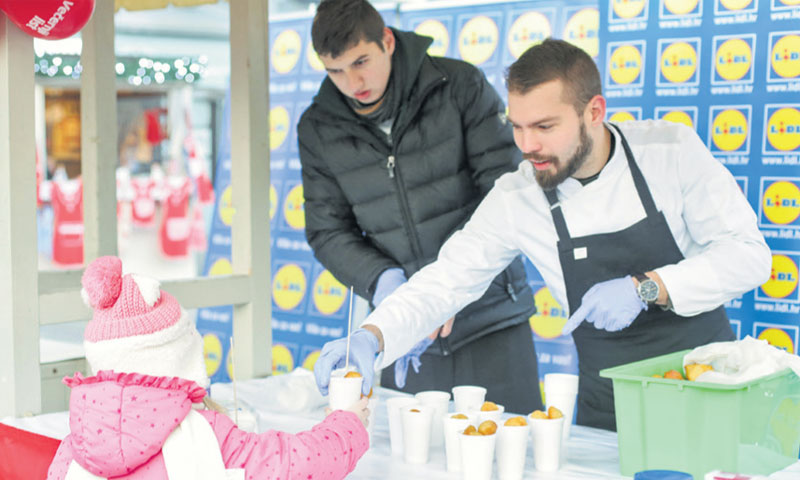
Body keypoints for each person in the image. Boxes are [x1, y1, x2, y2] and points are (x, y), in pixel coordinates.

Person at [313, 38, 772, 431]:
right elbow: (445, 281)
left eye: (545, 127)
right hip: (610, 406)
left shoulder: (671, 151)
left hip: (709, 385)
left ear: (594, 111)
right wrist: (371, 337)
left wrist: (646, 287)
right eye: (517, 127)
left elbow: (750, 256)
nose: (527, 145)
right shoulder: (519, 196)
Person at [298, 0, 542, 414]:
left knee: (514, 452)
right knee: (414, 460)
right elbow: (327, 230)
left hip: (491, 315)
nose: (352, 81)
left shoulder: (458, 85)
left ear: (387, 41)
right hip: (403, 332)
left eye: (361, 61)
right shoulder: (318, 127)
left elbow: (504, 191)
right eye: (334, 70)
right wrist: (386, 281)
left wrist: (446, 284)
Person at [47, 256, 369, 480]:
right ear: (181, 356)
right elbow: (297, 464)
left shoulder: (74, 448)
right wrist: (348, 424)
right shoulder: (207, 435)